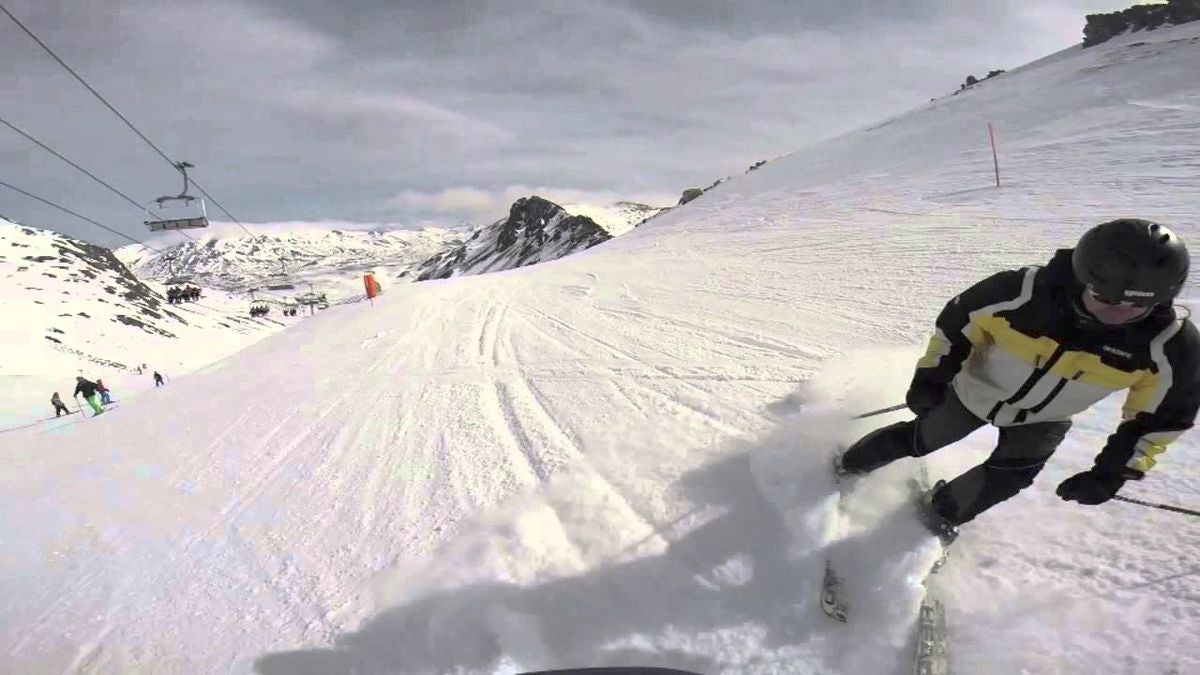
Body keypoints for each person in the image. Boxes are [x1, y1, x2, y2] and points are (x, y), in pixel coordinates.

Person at [838, 219, 1199, 543]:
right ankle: (847, 466)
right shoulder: (1021, 293)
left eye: (1136, 307)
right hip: (973, 392)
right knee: (924, 437)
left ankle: (935, 517)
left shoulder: (1168, 346)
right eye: (1103, 298)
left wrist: (1112, 473)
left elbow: (1161, 419)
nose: (1115, 315)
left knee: (1009, 477)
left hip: (1043, 419)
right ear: (1082, 278)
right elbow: (957, 323)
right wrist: (933, 376)